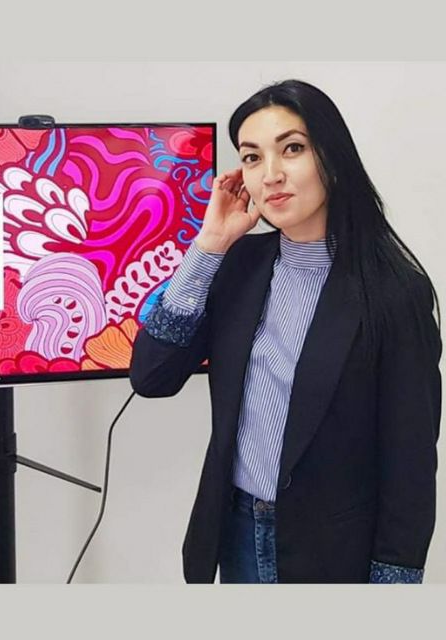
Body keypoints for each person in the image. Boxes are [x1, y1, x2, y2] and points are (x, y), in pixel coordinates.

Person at [129, 79, 442, 584]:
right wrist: (208, 246)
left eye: (291, 149)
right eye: (251, 158)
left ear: (332, 159)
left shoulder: (393, 292)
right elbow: (151, 376)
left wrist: (395, 584)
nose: (270, 175)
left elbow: (409, 462)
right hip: (234, 533)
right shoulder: (238, 267)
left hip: (334, 553)